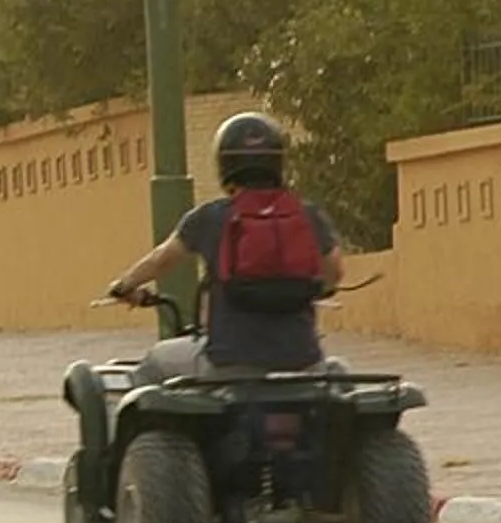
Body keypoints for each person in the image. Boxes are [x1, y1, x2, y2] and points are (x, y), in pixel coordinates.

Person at [103, 111, 343, 383]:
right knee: (337, 370)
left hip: (229, 363)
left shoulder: (211, 217)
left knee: (156, 362)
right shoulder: (307, 215)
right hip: (302, 361)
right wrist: (309, 288)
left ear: (224, 164)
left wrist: (124, 286)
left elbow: (162, 260)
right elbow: (334, 268)